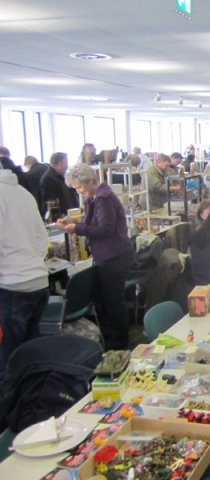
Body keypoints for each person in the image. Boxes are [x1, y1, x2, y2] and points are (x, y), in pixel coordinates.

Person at [58, 164, 135, 350]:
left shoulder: (104, 198)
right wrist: (74, 222)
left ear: (90, 181)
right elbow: (95, 223)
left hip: (113, 257)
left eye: (80, 187)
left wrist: (76, 228)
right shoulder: (94, 197)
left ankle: (119, 345)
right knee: (105, 302)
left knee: (113, 303)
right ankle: (111, 341)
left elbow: (105, 229)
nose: (79, 191)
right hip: (108, 255)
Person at [0, 168, 49, 384]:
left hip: (12, 285)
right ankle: (31, 397)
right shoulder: (23, 193)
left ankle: (10, 402)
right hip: (37, 281)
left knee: (9, 358)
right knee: (30, 353)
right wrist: (32, 261)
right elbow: (42, 238)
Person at [40, 152, 79, 219]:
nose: (67, 166)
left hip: (69, 213)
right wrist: (60, 214)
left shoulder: (60, 175)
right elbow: (50, 201)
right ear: (59, 163)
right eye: (66, 162)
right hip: (62, 216)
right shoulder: (49, 178)